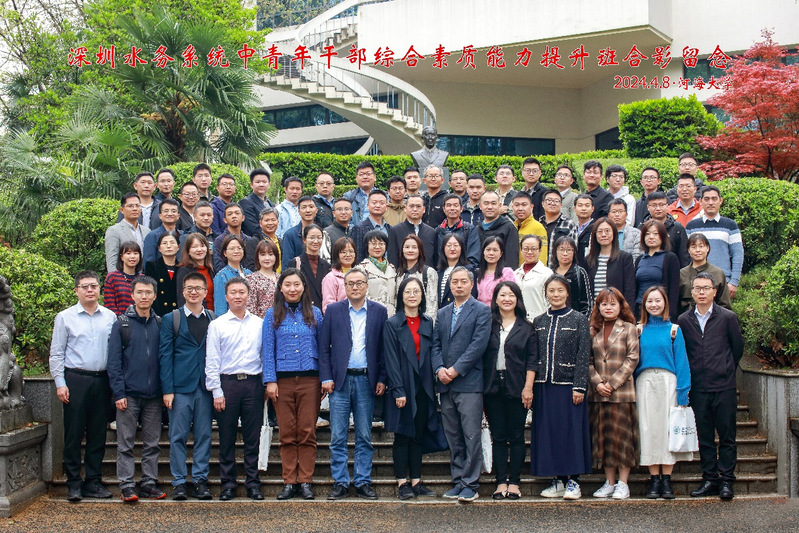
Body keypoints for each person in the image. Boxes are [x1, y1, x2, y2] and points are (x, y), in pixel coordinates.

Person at [319, 267, 388, 500]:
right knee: (338, 435)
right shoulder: (333, 311)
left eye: (359, 283)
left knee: (364, 435)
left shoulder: (379, 311)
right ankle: (340, 482)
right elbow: (324, 347)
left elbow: (383, 349)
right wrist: (326, 377)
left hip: (366, 380)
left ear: (367, 286)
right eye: (350, 283)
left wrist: (382, 378)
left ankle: (362, 481)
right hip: (340, 381)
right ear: (344, 287)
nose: (355, 287)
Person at [50, 270, 117, 502]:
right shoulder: (65, 317)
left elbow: (115, 353)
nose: (90, 290)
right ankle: (74, 483)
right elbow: (56, 353)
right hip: (76, 379)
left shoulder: (110, 317)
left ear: (99, 289)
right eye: (85, 286)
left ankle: (93, 482)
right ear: (76, 290)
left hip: (102, 380)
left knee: (98, 434)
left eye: (94, 286)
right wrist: (60, 383)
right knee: (74, 432)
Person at [679, 272, 744, 501]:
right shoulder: (684, 320)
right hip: (698, 387)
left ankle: (727, 480)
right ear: (692, 292)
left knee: (727, 436)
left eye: (706, 288)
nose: (701, 292)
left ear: (715, 292)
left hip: (724, 386)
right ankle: (709, 479)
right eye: (697, 288)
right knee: (704, 437)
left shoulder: (727, 317)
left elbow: (737, 348)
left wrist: (725, 368)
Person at [262, 269, 325, 500]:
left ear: (304, 287)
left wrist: (324, 378)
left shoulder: (315, 313)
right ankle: (289, 481)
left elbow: (323, 348)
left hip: (310, 380)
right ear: (280, 288)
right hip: (282, 381)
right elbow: (267, 349)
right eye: (287, 284)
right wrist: (270, 380)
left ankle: (305, 480)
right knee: (287, 432)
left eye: (296, 284)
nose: (292, 289)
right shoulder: (272, 314)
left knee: (307, 431)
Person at [432, 266, 492, 502]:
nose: (458, 285)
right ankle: (458, 480)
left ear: (471, 284)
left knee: (470, 435)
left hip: (469, 383)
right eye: (454, 282)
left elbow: (478, 345)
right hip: (445, 384)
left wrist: (455, 370)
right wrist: (439, 369)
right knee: (453, 435)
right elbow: (435, 345)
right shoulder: (443, 312)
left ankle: (471, 483)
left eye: (463, 281)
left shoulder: (481, 310)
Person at [383, 277, 445, 500]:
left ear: (422, 296)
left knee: (418, 435)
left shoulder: (427, 322)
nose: (412, 295)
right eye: (407, 291)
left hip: (423, 387)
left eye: (416, 291)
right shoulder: (392, 324)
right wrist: (398, 389)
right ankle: (402, 483)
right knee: (402, 435)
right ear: (401, 296)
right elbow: (390, 359)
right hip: (402, 385)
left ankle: (417, 481)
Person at [531, 274, 591, 500]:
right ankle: (556, 480)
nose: (555, 295)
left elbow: (583, 354)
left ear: (567, 293)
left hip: (569, 386)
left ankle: (573, 481)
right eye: (551, 291)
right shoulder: (539, 321)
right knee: (549, 433)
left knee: (570, 432)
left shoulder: (578, 319)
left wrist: (579, 386)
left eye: (560, 290)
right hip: (544, 386)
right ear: (546, 293)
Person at [206, 277, 265, 501]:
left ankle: (253, 483)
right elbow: (212, 360)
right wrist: (216, 391)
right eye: (233, 292)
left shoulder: (259, 323)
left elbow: (264, 356)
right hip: (227, 384)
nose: (238, 296)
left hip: (253, 384)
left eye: (242, 292)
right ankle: (228, 484)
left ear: (248, 295)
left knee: (252, 437)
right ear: (226, 296)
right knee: (226, 437)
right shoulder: (217, 325)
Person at [107, 276, 166, 502]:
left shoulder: (159, 323)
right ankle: (127, 485)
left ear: (155, 296)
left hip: (154, 396)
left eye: (148, 292)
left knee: (152, 444)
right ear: (132, 295)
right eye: (140, 292)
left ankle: (149, 483)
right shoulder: (122, 324)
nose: (144, 296)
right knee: (125, 443)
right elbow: (113, 362)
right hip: (128, 395)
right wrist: (118, 393)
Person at [159, 271, 216, 501]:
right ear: (183, 292)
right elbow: (165, 356)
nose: (194, 292)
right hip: (180, 387)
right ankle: (179, 481)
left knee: (204, 435)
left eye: (198, 288)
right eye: (189, 288)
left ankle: (200, 480)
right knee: (177, 436)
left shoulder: (213, 318)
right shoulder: (171, 319)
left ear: (205, 292)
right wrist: (167, 390)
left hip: (205, 387)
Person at [636, 286, 692, 500]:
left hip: (669, 382)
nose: (654, 305)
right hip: (645, 382)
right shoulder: (638, 330)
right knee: (648, 428)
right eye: (650, 301)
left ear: (665, 303)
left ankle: (667, 479)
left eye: (658, 300)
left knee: (668, 429)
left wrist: (683, 392)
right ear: (644, 305)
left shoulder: (674, 330)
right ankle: (654, 479)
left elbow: (682, 362)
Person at [482, 281, 536, 501]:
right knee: (498, 436)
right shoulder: (488, 325)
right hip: (492, 387)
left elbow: (532, 361)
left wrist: (528, 388)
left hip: (517, 386)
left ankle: (514, 482)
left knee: (516, 436)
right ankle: (500, 481)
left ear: (517, 299)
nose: (507, 299)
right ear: (495, 299)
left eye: (511, 295)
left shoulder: (527, 328)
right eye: (502, 295)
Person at [587, 288, 639, 500]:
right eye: (604, 304)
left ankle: (623, 483)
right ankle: (609, 482)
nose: (608, 308)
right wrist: (597, 382)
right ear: (598, 307)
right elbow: (587, 360)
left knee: (622, 440)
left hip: (622, 393)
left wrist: (612, 383)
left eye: (612, 304)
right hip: (599, 394)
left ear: (620, 306)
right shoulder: (592, 330)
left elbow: (632, 358)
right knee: (604, 440)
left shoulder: (629, 328)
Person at [685, 185, 744, 298]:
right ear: (700, 201)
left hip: (722, 283)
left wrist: (734, 282)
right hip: (696, 283)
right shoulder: (691, 226)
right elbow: (685, 254)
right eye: (706, 199)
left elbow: (738, 254)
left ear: (720, 200)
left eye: (714, 199)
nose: (710, 203)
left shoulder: (730, 225)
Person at [582, 218, 636, 307]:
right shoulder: (588, 260)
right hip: (595, 312)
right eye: (600, 232)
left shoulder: (624, 258)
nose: (603, 235)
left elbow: (629, 290)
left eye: (607, 231)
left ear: (614, 233)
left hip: (617, 311)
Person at [635, 220, 680, 319]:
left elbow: (674, 289)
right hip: (641, 309)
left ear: (662, 236)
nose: (651, 237)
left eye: (655, 234)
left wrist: (670, 314)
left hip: (661, 310)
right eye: (647, 234)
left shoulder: (670, 258)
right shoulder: (639, 259)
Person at [679, 233, 732, 315]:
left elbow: (725, 304)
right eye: (693, 247)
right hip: (686, 318)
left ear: (707, 248)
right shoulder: (681, 274)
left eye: (701, 246)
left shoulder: (718, 273)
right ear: (688, 250)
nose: (698, 250)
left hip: (713, 318)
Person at [395, 234, 438, 322]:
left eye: (414, 247)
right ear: (402, 250)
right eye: (407, 247)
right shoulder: (399, 274)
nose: (410, 250)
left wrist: (428, 326)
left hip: (422, 323)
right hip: (402, 323)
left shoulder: (429, 272)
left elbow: (432, 305)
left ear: (420, 250)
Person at [288, 224, 331, 311]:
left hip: (321, 312)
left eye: (319, 238)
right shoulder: (295, 263)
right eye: (312, 238)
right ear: (304, 240)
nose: (316, 241)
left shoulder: (326, 265)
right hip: (302, 311)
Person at [387, 194, 437, 267]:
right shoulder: (395, 231)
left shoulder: (431, 232)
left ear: (424, 209)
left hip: (427, 273)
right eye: (411, 206)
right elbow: (392, 258)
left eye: (418, 206)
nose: (415, 209)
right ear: (405, 209)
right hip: (403, 272)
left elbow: (434, 259)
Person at [643, 191, 691, 267]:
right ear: (648, 207)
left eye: (661, 205)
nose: (658, 209)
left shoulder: (677, 228)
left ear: (667, 206)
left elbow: (684, 256)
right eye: (654, 205)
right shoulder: (642, 227)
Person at [105, 192, 149, 273]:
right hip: (123, 277)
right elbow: (112, 260)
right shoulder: (114, 231)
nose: (135, 209)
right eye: (130, 206)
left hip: (144, 277)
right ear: (122, 210)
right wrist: (115, 278)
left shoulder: (146, 231)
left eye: (137, 205)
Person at [436, 193, 481, 269]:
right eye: (449, 205)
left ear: (461, 209)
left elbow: (473, 258)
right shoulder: (439, 231)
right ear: (444, 209)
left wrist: (462, 272)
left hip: (464, 273)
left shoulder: (469, 229)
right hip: (443, 271)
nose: (452, 208)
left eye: (455, 205)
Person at [358, 229, 397, 316]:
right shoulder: (362, 269)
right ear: (367, 246)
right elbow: (361, 296)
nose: (377, 247)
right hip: (372, 313)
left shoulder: (392, 268)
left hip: (392, 315)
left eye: (381, 244)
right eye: (373, 244)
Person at [515, 234, 553, 321]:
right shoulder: (515, 274)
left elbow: (550, 302)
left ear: (539, 250)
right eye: (526, 249)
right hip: (518, 320)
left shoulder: (547, 273)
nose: (529, 252)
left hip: (539, 319)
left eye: (533, 249)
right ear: (521, 250)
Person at [551, 236, 592, 316]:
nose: (565, 253)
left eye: (569, 250)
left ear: (574, 252)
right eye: (561, 249)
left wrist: (583, 320)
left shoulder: (580, 272)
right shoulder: (550, 273)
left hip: (576, 318)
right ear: (555, 252)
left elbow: (587, 302)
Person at [477, 191, 519, 268]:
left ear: (499, 205)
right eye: (486, 203)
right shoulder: (477, 229)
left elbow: (512, 258)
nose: (490, 207)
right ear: (480, 206)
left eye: (493, 203)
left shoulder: (508, 228)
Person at [213, 235, 252, 315]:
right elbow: (220, 307)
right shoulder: (222, 276)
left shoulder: (249, 273)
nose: (236, 251)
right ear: (225, 253)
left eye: (239, 248)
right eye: (232, 248)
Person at [176, 233, 215, 310]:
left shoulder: (211, 269)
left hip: (213, 314)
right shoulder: (184, 271)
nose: (199, 249)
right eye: (194, 247)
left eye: (202, 246)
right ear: (188, 251)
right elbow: (182, 299)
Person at [539, 188, 578, 266]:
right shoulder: (538, 224)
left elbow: (573, 251)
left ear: (561, 205)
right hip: (539, 270)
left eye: (556, 201)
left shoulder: (569, 224)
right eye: (549, 200)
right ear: (543, 203)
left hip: (558, 269)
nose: (552, 203)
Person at [104, 241, 144, 316]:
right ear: (121, 257)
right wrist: (121, 320)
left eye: (135, 253)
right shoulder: (112, 277)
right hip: (117, 320)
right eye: (128, 253)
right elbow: (109, 305)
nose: (132, 256)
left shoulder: (143, 279)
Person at [145, 231, 180, 316]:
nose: (168, 246)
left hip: (178, 314)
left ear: (178, 247)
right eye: (164, 243)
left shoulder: (182, 268)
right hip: (159, 313)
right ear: (159, 248)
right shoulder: (152, 266)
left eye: (172, 242)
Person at [350, 190, 391, 262]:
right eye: (374, 203)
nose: (378, 205)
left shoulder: (389, 228)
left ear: (386, 207)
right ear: (368, 206)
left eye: (381, 203)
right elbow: (358, 256)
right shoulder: (359, 228)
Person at [280, 195, 319, 270]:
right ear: (299, 211)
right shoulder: (290, 235)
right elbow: (287, 263)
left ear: (316, 210)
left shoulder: (322, 233)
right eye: (304, 207)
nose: (308, 210)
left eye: (311, 207)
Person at [476, 236, 516, 306]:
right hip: (479, 311)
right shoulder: (477, 273)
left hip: (498, 311)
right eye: (488, 250)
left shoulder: (507, 273)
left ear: (501, 253)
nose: (491, 253)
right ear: (483, 252)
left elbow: (512, 295)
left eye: (495, 250)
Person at [142, 199, 182, 268]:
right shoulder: (152, 236)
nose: (170, 214)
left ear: (178, 216)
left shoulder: (183, 235)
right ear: (160, 215)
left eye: (173, 211)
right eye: (166, 211)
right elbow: (148, 263)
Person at [436, 233, 473, 308]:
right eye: (449, 245)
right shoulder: (438, 272)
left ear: (461, 248)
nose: (452, 249)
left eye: (456, 245)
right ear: (443, 248)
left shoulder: (468, 270)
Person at [246, 239, 280, 318]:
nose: (267, 258)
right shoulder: (251, 279)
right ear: (257, 257)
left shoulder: (281, 278)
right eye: (263, 254)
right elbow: (250, 309)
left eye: (270, 254)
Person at [322, 237, 357, 313]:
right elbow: (328, 307)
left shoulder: (361, 275)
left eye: (351, 251)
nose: (348, 255)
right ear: (337, 255)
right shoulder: (330, 278)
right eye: (344, 252)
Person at [512, 193, 548, 266]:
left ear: (531, 207)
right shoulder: (512, 226)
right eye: (517, 205)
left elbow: (542, 257)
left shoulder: (538, 228)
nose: (520, 208)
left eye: (524, 205)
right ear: (512, 207)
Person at [212, 203, 249, 273]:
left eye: (237, 213)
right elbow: (219, 265)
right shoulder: (219, 240)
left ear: (243, 218)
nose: (234, 216)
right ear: (225, 220)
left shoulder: (248, 240)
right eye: (230, 214)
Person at [244, 206, 282, 274]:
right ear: (260, 223)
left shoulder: (281, 242)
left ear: (278, 222)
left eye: (273, 220)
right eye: (267, 220)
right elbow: (250, 266)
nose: (270, 223)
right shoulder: (253, 242)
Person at [239, 168, 275, 237]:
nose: (261, 184)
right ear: (251, 185)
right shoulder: (245, 203)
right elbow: (253, 228)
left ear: (269, 184)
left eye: (264, 182)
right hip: (255, 241)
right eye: (257, 182)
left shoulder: (272, 204)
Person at [344, 161, 380, 226]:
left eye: (368, 174)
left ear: (374, 177)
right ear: (356, 178)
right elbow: (344, 219)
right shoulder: (348, 197)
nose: (365, 177)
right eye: (361, 174)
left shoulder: (384, 196)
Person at [609, 198, 642, 263]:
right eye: (614, 212)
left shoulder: (636, 234)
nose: (617, 214)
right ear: (608, 215)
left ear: (626, 214)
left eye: (620, 211)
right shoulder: (602, 233)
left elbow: (637, 257)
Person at [573, 194, 595, 262]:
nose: (583, 208)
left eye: (587, 206)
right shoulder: (571, 228)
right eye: (580, 205)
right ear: (574, 209)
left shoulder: (596, 228)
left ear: (592, 209)